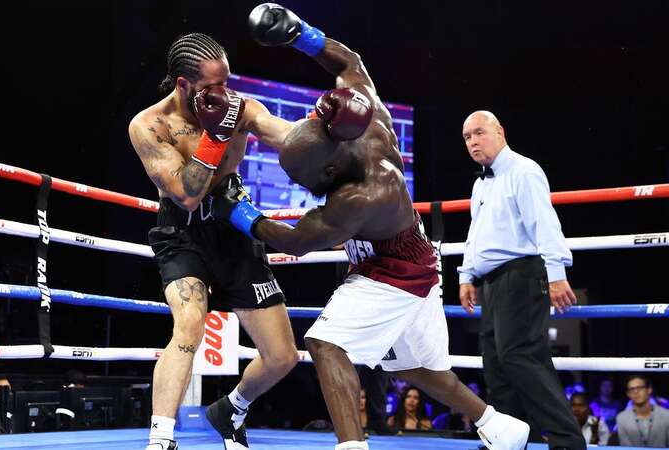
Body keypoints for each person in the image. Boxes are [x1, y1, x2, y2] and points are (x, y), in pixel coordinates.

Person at [211, 4, 531, 450]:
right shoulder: (366, 121)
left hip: (392, 271)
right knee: (411, 367)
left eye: (304, 182)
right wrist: (299, 34)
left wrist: (237, 210)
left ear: (326, 173)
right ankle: (501, 427)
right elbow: (349, 62)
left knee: (325, 344)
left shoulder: (359, 197)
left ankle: (352, 446)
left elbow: (295, 241)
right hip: (417, 259)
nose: (301, 189)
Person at [128, 32, 300, 450]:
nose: (223, 93)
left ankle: (232, 409)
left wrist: (330, 128)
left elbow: (289, 137)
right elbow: (185, 194)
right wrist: (214, 136)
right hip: (181, 231)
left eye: (226, 81)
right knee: (188, 322)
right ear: (182, 84)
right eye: (210, 87)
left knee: (283, 357)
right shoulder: (149, 125)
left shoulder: (239, 107)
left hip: (233, 227)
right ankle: (161, 439)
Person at [456, 109, 585, 449]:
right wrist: (467, 274)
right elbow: (477, 233)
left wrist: (557, 273)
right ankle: (509, 441)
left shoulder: (523, 171)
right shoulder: (480, 183)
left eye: (479, 133)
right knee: (497, 366)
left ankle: (568, 442)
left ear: (500, 131)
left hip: (522, 276)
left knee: (521, 359)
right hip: (492, 283)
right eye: (467, 137)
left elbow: (544, 223)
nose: (473, 142)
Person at [616, 375, 669, 447]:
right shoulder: (622, 419)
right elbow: (626, 447)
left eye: (639, 388)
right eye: (631, 389)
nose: (636, 392)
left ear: (649, 390)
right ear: (628, 394)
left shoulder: (666, 416)